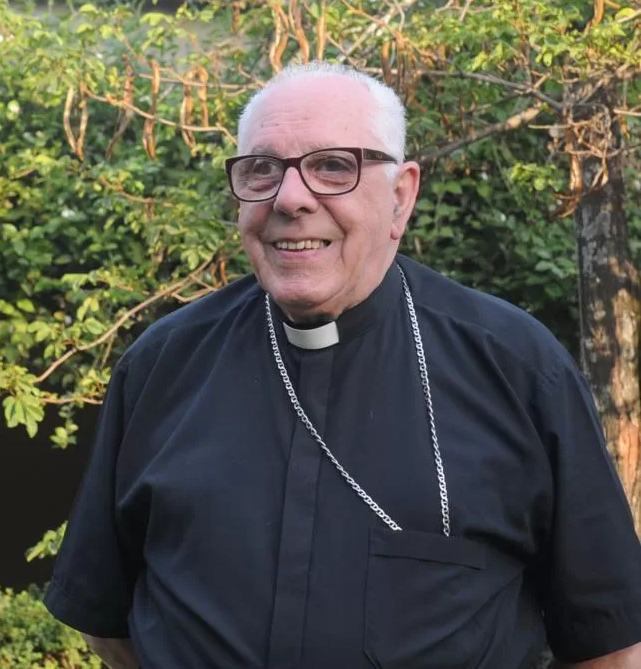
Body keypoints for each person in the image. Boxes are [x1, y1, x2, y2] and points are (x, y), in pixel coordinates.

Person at [42, 61, 641, 668]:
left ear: (401, 195)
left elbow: (609, 649)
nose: (290, 199)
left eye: (333, 166)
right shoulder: (161, 365)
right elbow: (108, 625)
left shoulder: (518, 369)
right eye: (261, 170)